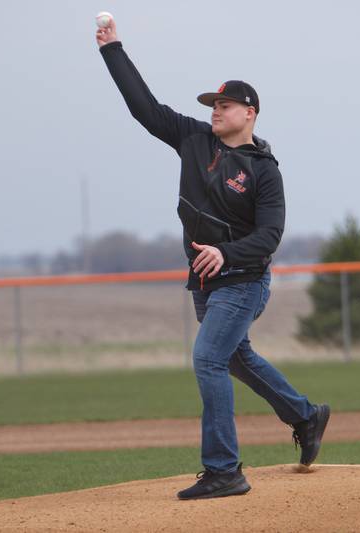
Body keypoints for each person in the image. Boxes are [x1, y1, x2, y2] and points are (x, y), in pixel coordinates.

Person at [96, 19, 329, 501]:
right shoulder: (193, 139)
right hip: (206, 282)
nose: (216, 111)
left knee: (207, 358)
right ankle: (306, 415)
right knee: (237, 358)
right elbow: (145, 108)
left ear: (250, 112)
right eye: (213, 105)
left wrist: (225, 252)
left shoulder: (264, 172)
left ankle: (224, 470)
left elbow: (270, 236)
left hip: (244, 280)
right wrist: (113, 49)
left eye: (224, 105)